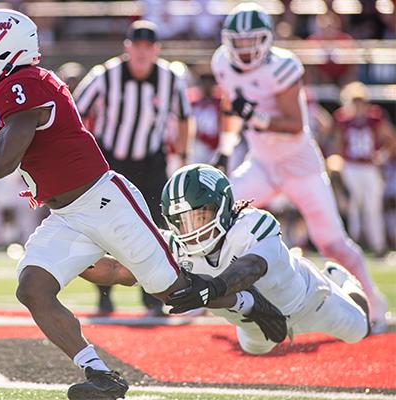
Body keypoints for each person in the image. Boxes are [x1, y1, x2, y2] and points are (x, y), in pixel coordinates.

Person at [0, 9, 195, 399]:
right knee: (33, 287)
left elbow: (2, 163)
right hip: (67, 213)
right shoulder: (20, 85)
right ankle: (99, 374)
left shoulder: (23, 84)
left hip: (103, 201)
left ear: (2, 50)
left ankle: (242, 291)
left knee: (178, 292)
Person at [211, 3, 389, 333]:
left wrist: (253, 114)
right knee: (217, 212)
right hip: (262, 163)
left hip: (299, 165)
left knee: (332, 243)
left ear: (266, 40)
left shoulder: (283, 66)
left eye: (253, 40)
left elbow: (293, 124)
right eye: (239, 41)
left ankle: (375, 302)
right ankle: (207, 291)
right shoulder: (222, 62)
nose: (245, 48)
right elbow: (229, 108)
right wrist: (224, 149)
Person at [87, 164, 370, 355]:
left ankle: (341, 280)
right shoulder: (174, 245)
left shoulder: (251, 224)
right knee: (255, 349)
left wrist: (213, 288)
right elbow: (118, 270)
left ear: (222, 206)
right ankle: (250, 308)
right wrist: (71, 264)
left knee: (359, 329)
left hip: (308, 301)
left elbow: (251, 267)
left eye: (200, 216)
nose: (193, 229)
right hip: (252, 322)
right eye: (182, 221)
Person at [74, 20, 194, 316]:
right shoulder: (104, 76)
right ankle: (104, 294)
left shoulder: (170, 79)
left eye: (147, 47)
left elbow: (183, 118)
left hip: (152, 162)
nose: (141, 53)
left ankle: (151, 295)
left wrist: (182, 154)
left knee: (155, 228)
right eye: (136, 47)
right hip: (110, 162)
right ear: (127, 48)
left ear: (156, 50)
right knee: (103, 228)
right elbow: (76, 112)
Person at [333, 82, 396, 257]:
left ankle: (378, 245)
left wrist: (381, 156)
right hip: (352, 166)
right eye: (355, 101)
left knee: (373, 206)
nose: (358, 105)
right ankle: (353, 246)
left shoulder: (375, 118)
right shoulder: (343, 119)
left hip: (369, 167)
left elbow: (390, 138)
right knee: (353, 207)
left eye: (361, 101)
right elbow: (338, 144)